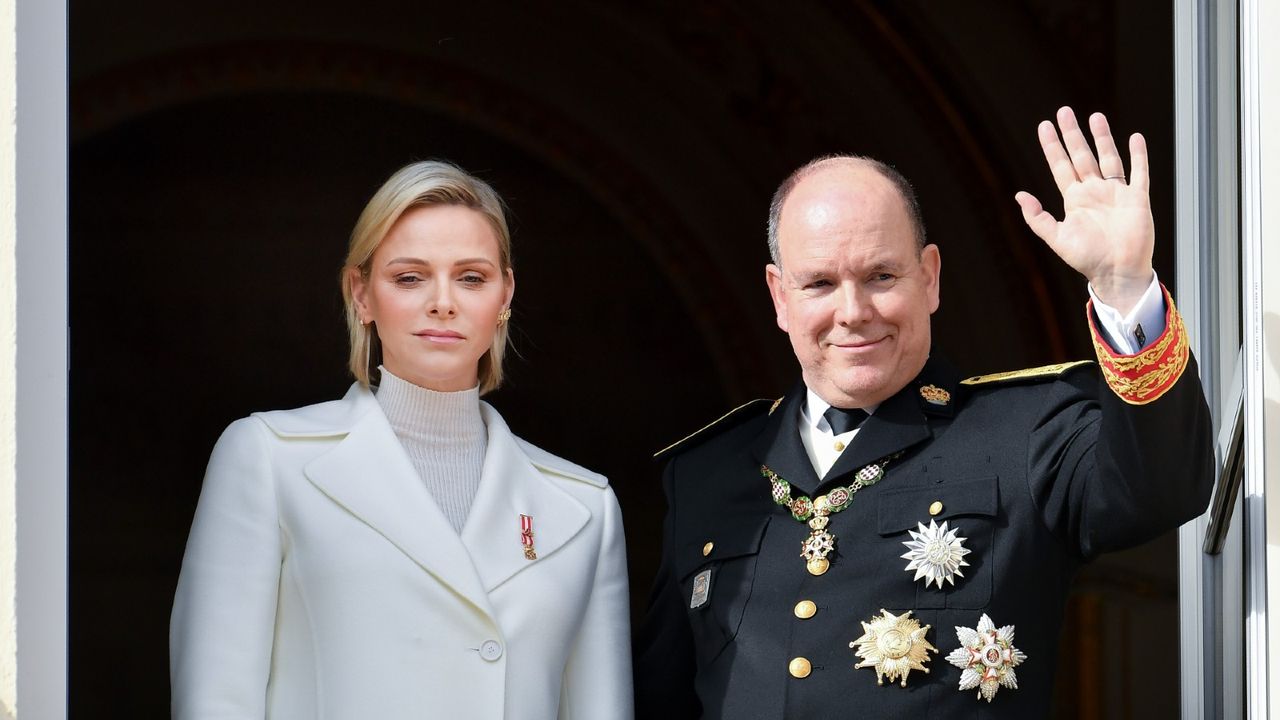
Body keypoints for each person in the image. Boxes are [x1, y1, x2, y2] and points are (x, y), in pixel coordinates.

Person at [633, 107, 1213, 718]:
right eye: (819, 284)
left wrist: (1125, 285)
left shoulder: (1027, 432)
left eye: (881, 275)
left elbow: (1163, 488)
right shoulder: (706, 475)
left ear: (930, 278)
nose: (854, 311)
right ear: (780, 296)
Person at [171, 161, 633, 719]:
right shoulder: (268, 459)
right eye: (410, 277)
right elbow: (215, 703)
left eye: (471, 277)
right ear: (361, 294)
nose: (443, 301)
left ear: (505, 294)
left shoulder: (583, 508)